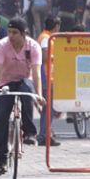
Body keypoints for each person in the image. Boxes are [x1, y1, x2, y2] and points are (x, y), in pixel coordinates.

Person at [0, 17, 45, 177]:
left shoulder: (33, 46)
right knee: (0, 118)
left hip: (25, 80)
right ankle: (0, 160)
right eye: (9, 32)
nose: (11, 35)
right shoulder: (2, 45)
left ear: (24, 34)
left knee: (27, 90)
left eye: (15, 33)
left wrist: (38, 95)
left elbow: (37, 73)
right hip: (6, 82)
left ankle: (30, 132)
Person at [36, 15, 62, 147]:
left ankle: (45, 134)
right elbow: (45, 56)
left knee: (49, 108)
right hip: (46, 76)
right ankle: (44, 136)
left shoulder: (45, 37)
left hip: (48, 76)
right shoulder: (46, 38)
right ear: (56, 26)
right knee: (49, 108)